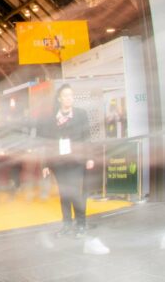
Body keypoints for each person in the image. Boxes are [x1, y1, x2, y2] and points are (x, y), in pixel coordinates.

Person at [41, 84, 93, 238]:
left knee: (76, 193)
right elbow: (47, 142)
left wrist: (89, 157)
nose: (69, 98)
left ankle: (81, 224)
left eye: (71, 95)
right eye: (65, 95)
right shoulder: (52, 118)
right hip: (59, 163)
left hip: (76, 161)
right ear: (59, 98)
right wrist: (45, 164)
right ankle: (67, 225)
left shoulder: (81, 114)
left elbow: (87, 136)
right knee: (64, 194)